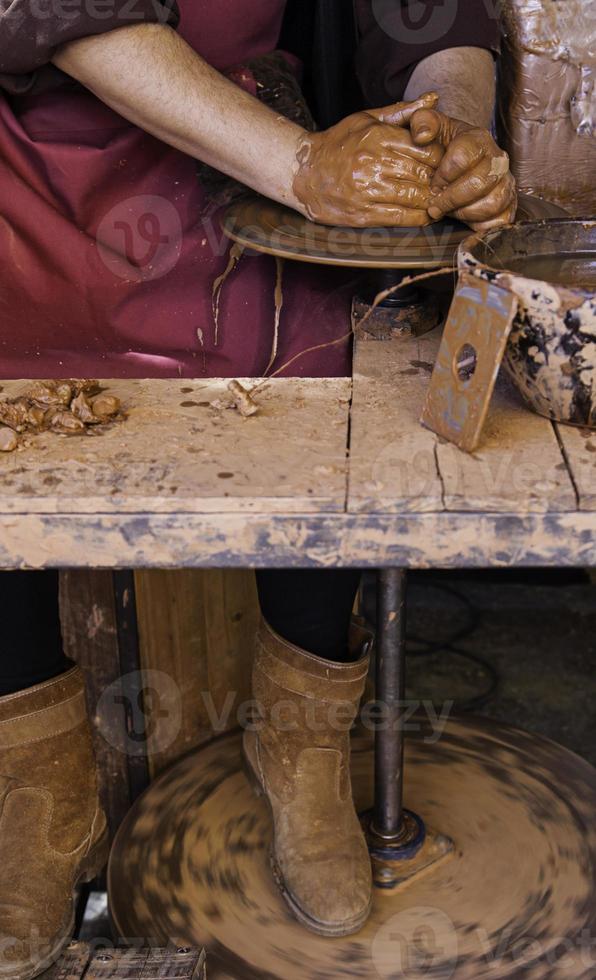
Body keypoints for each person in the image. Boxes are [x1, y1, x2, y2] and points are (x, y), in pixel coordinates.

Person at [0, 1, 517, 974]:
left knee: (324, 398)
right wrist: (300, 167)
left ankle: (300, 751)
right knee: (10, 440)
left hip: (239, 161)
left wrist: (444, 127)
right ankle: (42, 793)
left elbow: (421, 11)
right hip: (29, 159)